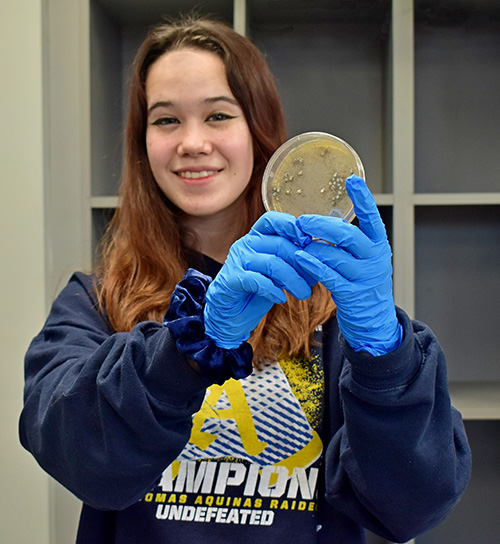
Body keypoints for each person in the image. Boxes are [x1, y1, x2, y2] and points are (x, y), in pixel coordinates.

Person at [19, 14, 471, 544]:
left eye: (217, 115)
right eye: (165, 120)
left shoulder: (327, 302)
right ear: (141, 143)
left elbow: (410, 507)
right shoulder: (94, 301)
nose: (192, 142)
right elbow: (80, 460)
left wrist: (386, 359)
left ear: (260, 132)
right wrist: (186, 352)